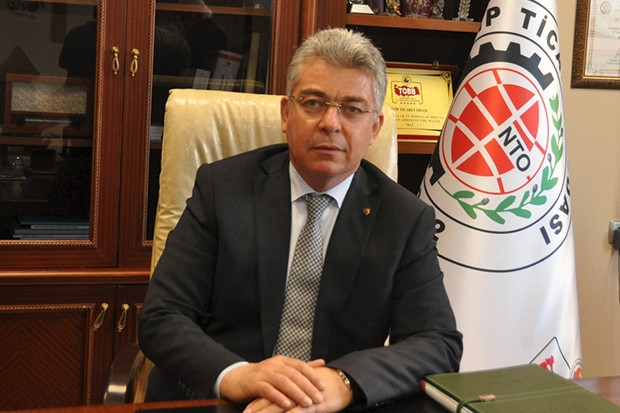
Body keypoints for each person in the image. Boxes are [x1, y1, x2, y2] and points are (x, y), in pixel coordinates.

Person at [138, 27, 462, 413]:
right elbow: (162, 315)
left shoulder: (404, 218)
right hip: (221, 401)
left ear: (374, 128)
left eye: (352, 109)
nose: (330, 123)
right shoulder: (221, 189)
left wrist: (343, 381)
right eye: (313, 102)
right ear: (286, 114)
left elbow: (437, 342)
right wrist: (237, 374)